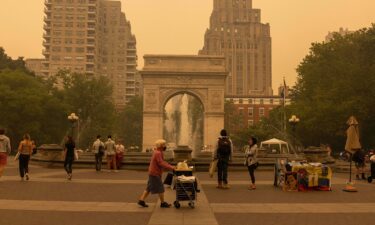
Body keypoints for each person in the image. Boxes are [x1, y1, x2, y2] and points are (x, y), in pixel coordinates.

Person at [138, 139, 175, 208]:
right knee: (160, 188)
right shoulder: (158, 153)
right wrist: (171, 167)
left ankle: (141, 200)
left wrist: (169, 166)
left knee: (149, 188)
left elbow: (162, 162)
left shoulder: (158, 152)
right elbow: (161, 163)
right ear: (161, 146)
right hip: (155, 173)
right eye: (164, 145)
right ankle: (163, 203)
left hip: (153, 172)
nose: (165, 146)